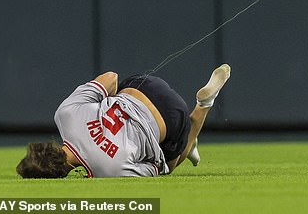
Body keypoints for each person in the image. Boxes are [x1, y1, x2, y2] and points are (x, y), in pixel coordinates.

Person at [16, 64, 231, 178]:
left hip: (174, 117)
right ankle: (191, 142)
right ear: (45, 147)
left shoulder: (108, 171)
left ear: (59, 175)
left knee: (170, 162)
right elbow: (111, 77)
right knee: (112, 95)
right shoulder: (64, 114)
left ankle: (203, 105)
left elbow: (156, 169)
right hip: (143, 85)